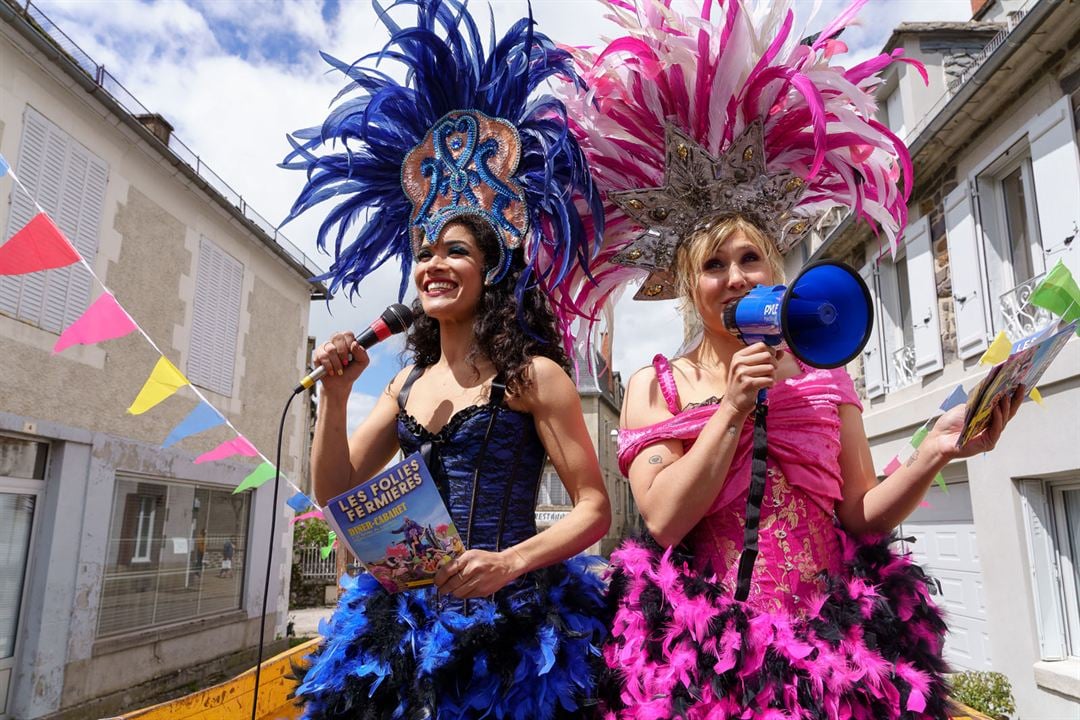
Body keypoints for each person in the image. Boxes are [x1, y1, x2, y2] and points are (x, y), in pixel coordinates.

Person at [557, 2, 1024, 717]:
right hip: (705, 667)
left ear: (777, 271)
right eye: (714, 264)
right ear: (688, 285)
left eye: (752, 258)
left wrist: (936, 452)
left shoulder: (825, 373)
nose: (737, 277)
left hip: (832, 661)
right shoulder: (659, 388)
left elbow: (861, 516)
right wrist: (736, 407)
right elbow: (666, 521)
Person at [282, 2, 612, 717]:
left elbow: (594, 509)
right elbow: (337, 492)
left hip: (514, 628)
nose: (432, 265)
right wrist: (336, 400)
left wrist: (509, 563)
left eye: (454, 250)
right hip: (403, 631)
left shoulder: (534, 376)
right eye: (424, 252)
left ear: (491, 269)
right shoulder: (403, 381)